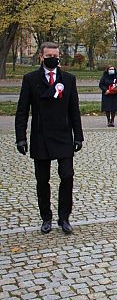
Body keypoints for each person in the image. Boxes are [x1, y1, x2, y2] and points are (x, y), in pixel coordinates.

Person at [15, 42, 84, 234]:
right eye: (48, 56)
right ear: (41, 57)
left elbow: (74, 110)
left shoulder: (68, 79)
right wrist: (20, 138)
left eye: (55, 55)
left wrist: (78, 136)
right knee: (42, 179)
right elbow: (22, 111)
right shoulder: (30, 79)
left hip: (63, 135)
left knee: (67, 176)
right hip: (40, 136)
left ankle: (64, 218)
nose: (53, 58)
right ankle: (46, 217)